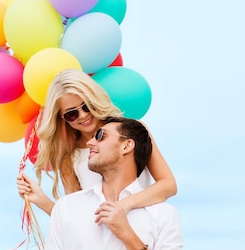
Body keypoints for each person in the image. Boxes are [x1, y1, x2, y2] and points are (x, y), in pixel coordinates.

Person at [34, 117, 188, 250]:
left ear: (127, 146)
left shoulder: (162, 214)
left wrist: (127, 235)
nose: (90, 142)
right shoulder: (66, 209)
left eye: (100, 136)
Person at [17, 68, 176, 216]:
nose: (83, 115)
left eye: (86, 106)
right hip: (102, 242)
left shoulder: (131, 131)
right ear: (62, 118)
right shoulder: (69, 158)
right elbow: (75, 218)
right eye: (72, 114)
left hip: (144, 232)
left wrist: (123, 206)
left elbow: (168, 185)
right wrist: (41, 200)